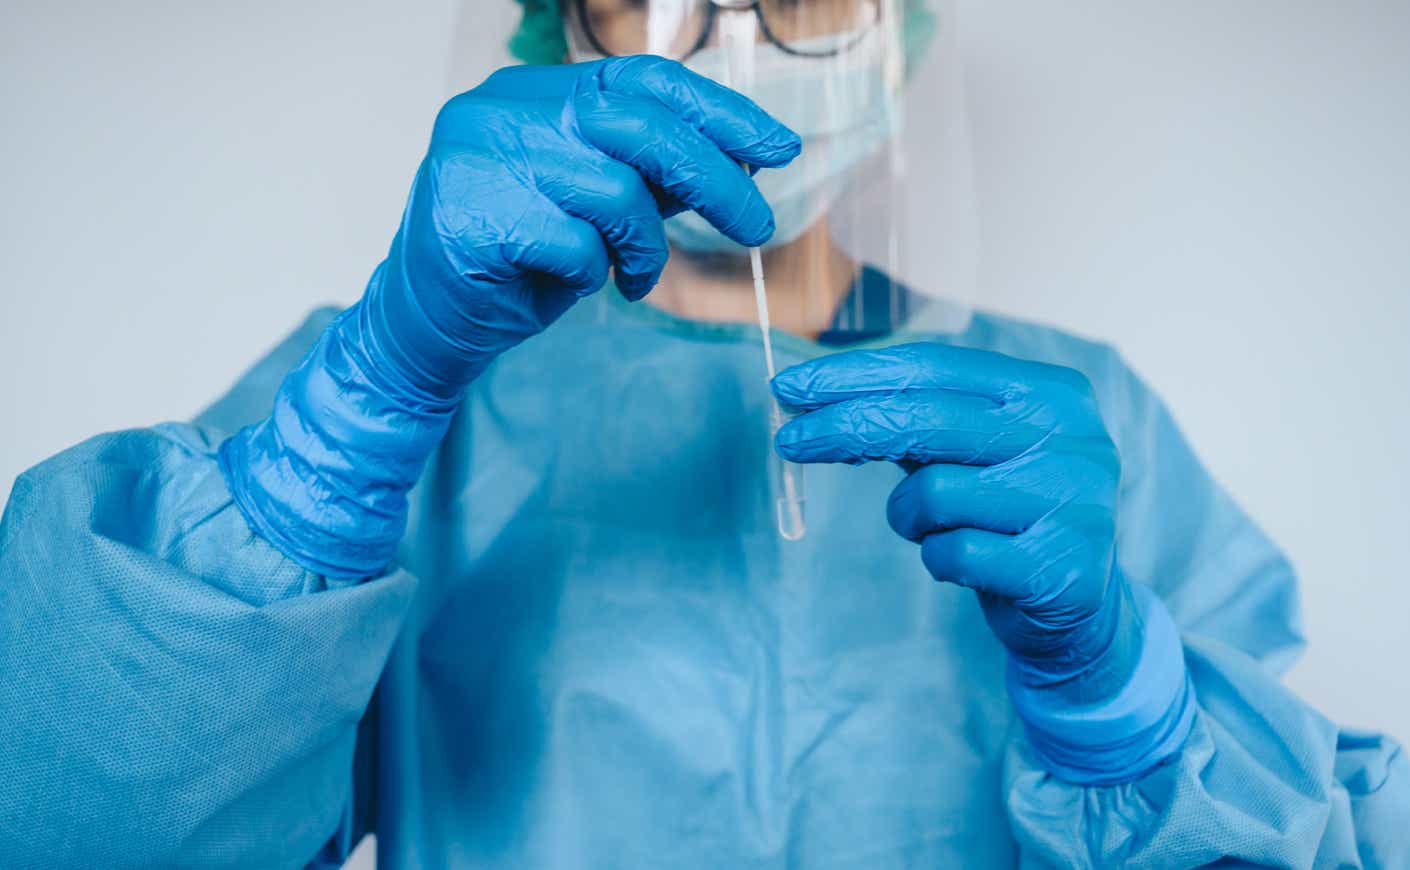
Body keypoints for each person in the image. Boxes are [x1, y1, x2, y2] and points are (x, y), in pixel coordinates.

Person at [1, 1, 1406, 867]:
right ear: (564, 32)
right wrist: (351, 416)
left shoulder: (1068, 413)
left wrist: (1120, 702)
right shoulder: (411, 384)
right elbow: (71, 826)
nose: (735, 40)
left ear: (897, 28)